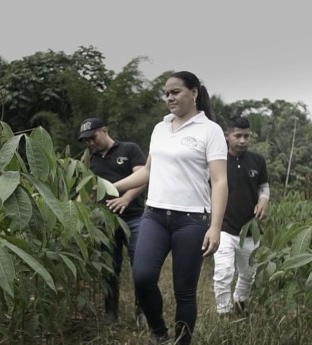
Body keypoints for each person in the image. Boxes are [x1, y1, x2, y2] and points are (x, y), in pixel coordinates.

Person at [114, 71, 228, 345]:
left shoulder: (210, 130)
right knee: (142, 277)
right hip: (154, 215)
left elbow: (220, 181)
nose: (169, 97)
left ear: (194, 93)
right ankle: (159, 333)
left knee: (185, 292)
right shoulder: (160, 128)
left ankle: (181, 342)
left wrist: (215, 227)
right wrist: (111, 187)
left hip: (191, 221)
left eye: (175, 91)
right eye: (166, 93)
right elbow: (149, 171)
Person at [78, 117, 147, 324]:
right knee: (110, 268)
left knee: (141, 267)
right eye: (86, 140)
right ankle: (110, 313)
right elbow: (86, 191)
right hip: (106, 222)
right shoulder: (90, 160)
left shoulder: (129, 149)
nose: (91, 142)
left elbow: (144, 176)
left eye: (93, 137)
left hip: (135, 218)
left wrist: (126, 198)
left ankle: (142, 312)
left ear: (105, 130)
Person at [212, 116, 269, 317]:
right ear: (227, 136)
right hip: (223, 227)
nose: (242, 140)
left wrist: (263, 200)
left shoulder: (257, 161)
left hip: (250, 229)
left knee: (248, 274)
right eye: (238, 136)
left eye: (246, 136)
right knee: (224, 273)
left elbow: (264, 187)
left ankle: (240, 304)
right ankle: (224, 314)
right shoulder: (217, 161)